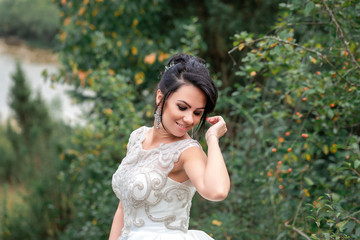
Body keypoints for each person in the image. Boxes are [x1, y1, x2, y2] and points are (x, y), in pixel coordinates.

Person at [109, 53, 230, 240]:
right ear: (160, 97)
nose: (189, 119)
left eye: (197, 113)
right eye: (182, 107)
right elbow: (124, 206)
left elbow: (217, 191)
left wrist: (212, 138)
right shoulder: (137, 137)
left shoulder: (188, 152)